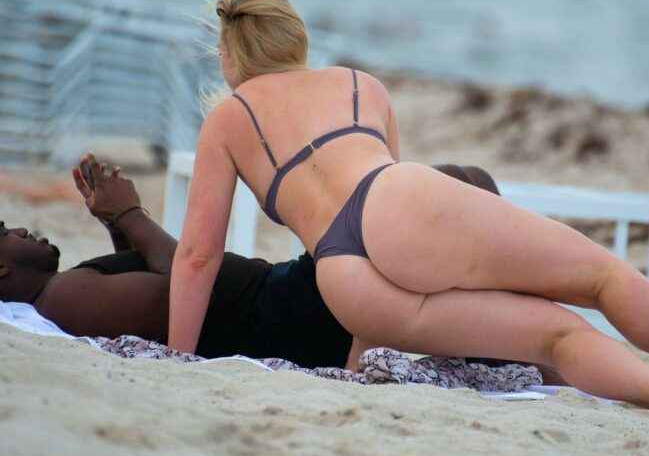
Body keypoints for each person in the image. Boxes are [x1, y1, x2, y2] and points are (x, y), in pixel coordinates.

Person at [168, 0, 649, 416]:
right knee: (602, 281)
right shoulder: (356, 84)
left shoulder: (228, 119)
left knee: (552, 337)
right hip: (389, 207)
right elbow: (393, 214)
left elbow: (196, 256)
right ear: (294, 39)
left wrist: (176, 362)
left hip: (342, 278)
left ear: (230, 55)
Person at [3, 154, 535, 373]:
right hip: (297, 313)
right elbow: (180, 287)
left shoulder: (69, 291)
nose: (21, 229)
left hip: (292, 296)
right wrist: (131, 214)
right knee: (456, 187)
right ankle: (517, 325)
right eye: (6, 234)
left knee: (462, 187)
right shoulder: (62, 297)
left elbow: (145, 282)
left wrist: (114, 221)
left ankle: (506, 328)